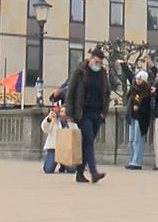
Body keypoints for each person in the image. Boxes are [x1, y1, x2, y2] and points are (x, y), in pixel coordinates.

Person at [65, 48, 110, 184]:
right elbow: (70, 92)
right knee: (89, 140)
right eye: (96, 62)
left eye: (100, 63)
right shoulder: (80, 72)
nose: (98, 65)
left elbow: (107, 92)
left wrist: (104, 111)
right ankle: (93, 172)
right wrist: (69, 113)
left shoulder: (102, 74)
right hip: (83, 112)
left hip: (96, 113)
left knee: (87, 143)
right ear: (90, 59)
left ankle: (79, 173)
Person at [124, 66, 151, 170]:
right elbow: (129, 76)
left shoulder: (146, 92)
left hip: (141, 118)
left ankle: (137, 162)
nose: (137, 80)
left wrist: (138, 107)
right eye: (137, 78)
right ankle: (132, 160)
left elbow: (147, 108)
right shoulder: (134, 90)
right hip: (132, 116)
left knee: (137, 140)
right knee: (131, 140)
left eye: (140, 79)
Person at [40, 104, 73, 174]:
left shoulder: (71, 122)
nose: (63, 114)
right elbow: (44, 128)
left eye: (65, 112)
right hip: (54, 148)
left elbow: (76, 134)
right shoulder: (54, 121)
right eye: (61, 111)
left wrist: (70, 123)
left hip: (66, 150)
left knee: (72, 170)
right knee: (48, 169)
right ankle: (51, 161)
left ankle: (63, 165)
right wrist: (49, 119)